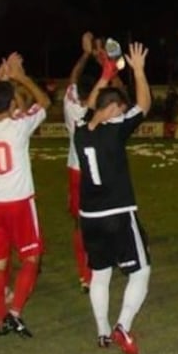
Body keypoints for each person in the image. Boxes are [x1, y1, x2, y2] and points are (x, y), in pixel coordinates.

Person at [73, 42, 152, 354]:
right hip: (118, 212)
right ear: (113, 109)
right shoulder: (114, 130)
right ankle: (123, 325)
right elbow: (144, 105)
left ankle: (102, 332)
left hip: (89, 216)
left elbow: (91, 107)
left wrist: (106, 76)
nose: (124, 111)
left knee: (100, 274)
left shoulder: (79, 129)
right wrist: (139, 71)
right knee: (141, 271)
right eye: (120, 107)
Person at [0, 53, 51, 338]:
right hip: (18, 203)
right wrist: (19, 76)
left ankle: (0, 318)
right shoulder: (19, 127)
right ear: (11, 102)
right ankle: (16, 312)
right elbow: (43, 102)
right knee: (30, 259)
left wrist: (0, 79)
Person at [64, 32, 99, 293]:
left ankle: (83, 274)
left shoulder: (71, 107)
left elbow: (73, 78)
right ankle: (98, 269)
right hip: (97, 172)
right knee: (99, 221)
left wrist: (86, 54)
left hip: (76, 171)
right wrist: (107, 63)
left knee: (80, 223)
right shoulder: (100, 112)